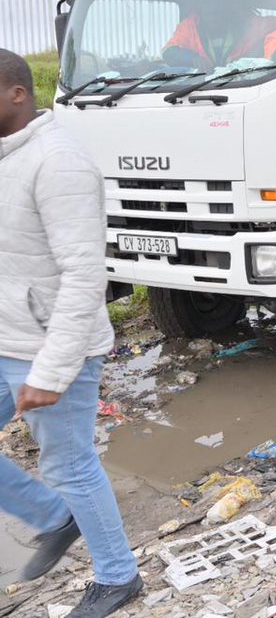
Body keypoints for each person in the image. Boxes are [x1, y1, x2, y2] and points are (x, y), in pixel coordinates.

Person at [0, 49, 143, 617]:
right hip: (5, 338)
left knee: (70, 464)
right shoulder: (6, 158)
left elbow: (85, 276)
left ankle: (118, 577)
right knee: (63, 477)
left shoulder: (58, 163)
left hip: (52, 348)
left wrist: (52, 372)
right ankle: (53, 517)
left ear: (16, 93)